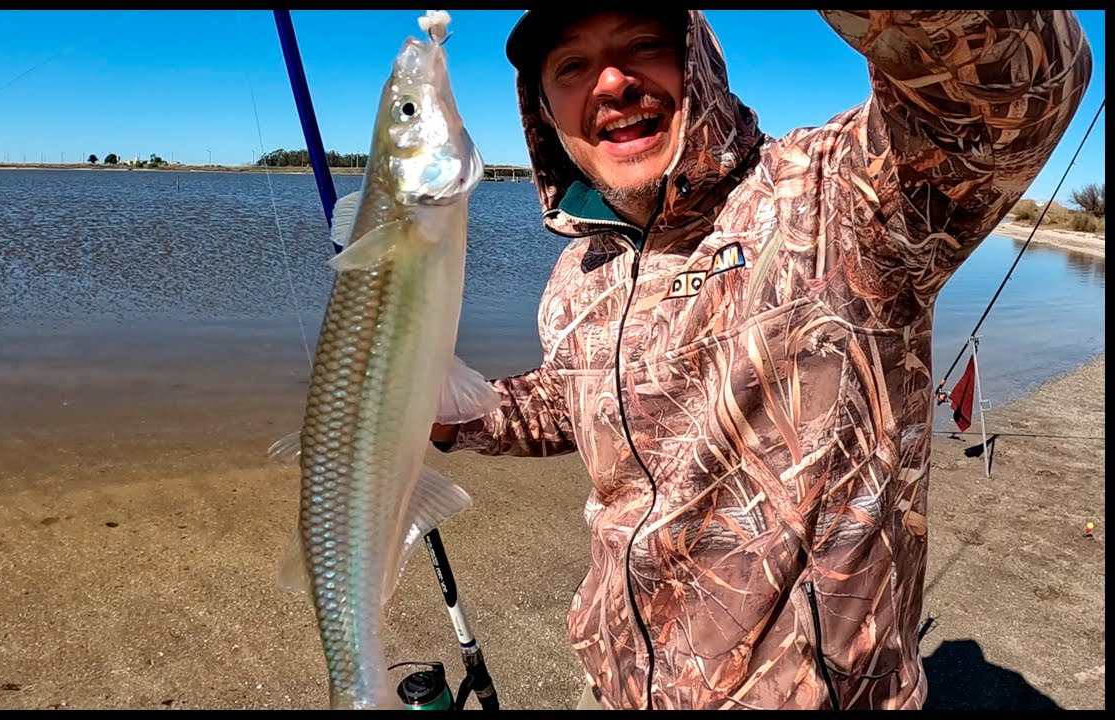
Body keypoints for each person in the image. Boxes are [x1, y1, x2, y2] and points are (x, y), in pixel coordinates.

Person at [429, 8, 1093, 711]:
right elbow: (565, 405)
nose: (614, 82)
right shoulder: (580, 272)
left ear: (697, 62)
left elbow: (1011, 85)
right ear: (544, 111)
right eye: (571, 67)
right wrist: (438, 411)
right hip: (620, 687)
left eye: (643, 47)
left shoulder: (834, 198)